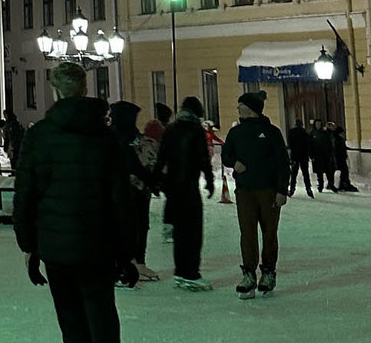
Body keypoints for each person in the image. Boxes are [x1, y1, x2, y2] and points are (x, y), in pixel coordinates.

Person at [13, 60, 150, 343]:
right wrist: (126, 254)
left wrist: (31, 247)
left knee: (75, 338)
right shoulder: (105, 138)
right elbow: (120, 200)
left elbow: (26, 195)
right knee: (106, 338)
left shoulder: (39, 138)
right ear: (85, 89)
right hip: (96, 251)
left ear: (55, 91)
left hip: (57, 253)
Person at [224, 92, 290, 297]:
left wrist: (281, 190)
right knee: (247, 232)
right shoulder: (236, 133)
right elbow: (227, 155)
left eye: (241, 105)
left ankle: (268, 272)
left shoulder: (271, 132)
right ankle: (249, 273)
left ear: (250, 109)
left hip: (268, 191)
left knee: (269, 232)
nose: (238, 109)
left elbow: (282, 163)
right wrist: (234, 163)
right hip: (245, 190)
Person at [155, 96, 214, 291]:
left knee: (180, 232)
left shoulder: (171, 129)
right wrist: (210, 180)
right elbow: (203, 158)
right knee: (193, 232)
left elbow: (161, 157)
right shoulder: (196, 130)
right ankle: (191, 273)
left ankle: (180, 271)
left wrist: (155, 180)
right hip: (188, 187)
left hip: (173, 187)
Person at [109, 99, 160, 282]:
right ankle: (123, 265)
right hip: (122, 190)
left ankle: (137, 260)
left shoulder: (131, 136)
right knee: (125, 226)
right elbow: (132, 164)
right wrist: (152, 181)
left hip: (138, 190)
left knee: (140, 225)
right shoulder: (115, 137)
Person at [286, 121, 317, 199]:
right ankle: (308, 189)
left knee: (294, 174)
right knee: (305, 173)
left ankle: (292, 188)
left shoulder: (291, 132)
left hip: (295, 155)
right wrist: (311, 155)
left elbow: (289, 143)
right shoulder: (304, 132)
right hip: (303, 156)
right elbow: (308, 144)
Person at [330, 124, 357, 193]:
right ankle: (342, 184)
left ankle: (343, 184)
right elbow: (336, 150)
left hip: (341, 158)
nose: (344, 134)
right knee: (344, 171)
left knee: (344, 171)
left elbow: (342, 148)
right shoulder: (337, 140)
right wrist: (336, 160)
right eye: (342, 132)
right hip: (339, 159)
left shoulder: (339, 140)